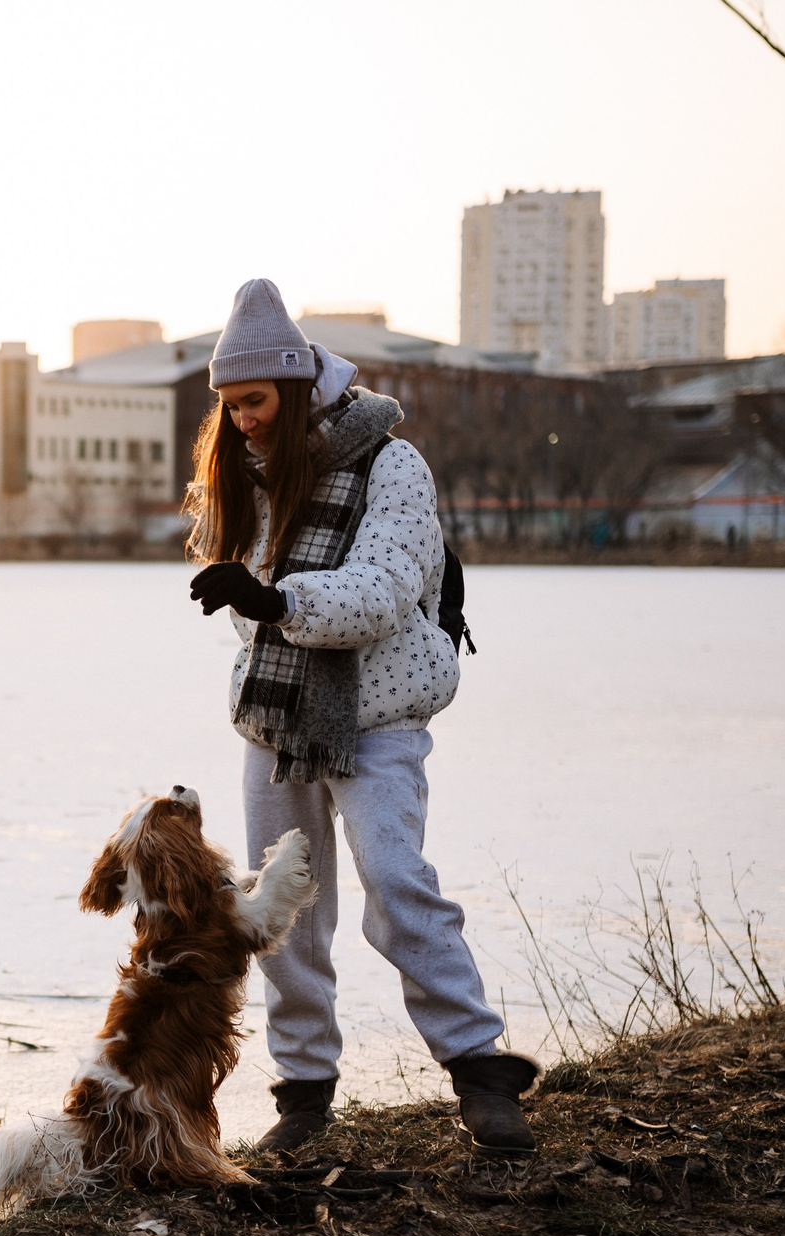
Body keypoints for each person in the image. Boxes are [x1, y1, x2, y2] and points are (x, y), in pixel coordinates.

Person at [184, 278, 536, 1156]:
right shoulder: (252, 479)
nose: (243, 421)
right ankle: (304, 1094)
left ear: (299, 387)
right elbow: (251, 614)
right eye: (229, 407)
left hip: (378, 716)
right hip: (276, 723)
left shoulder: (391, 465)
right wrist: (255, 598)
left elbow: (380, 595)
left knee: (395, 878)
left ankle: (479, 1068)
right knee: (283, 913)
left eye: (255, 401)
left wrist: (272, 597)